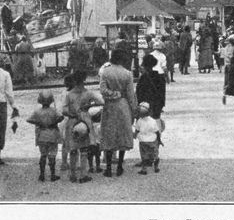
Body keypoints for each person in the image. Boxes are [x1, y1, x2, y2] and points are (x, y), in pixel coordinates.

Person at [99, 49, 138, 177]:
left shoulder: (105, 72)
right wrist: (134, 110)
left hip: (109, 106)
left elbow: (103, 90)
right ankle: (120, 165)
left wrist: (113, 94)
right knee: (122, 134)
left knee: (109, 134)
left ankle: (109, 167)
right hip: (123, 105)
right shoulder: (127, 74)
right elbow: (131, 95)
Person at [62, 72, 102, 183]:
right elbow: (101, 101)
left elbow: (64, 110)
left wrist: (72, 114)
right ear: (84, 80)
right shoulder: (88, 93)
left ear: (74, 81)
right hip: (85, 119)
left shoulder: (69, 94)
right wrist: (90, 105)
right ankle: (83, 174)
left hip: (72, 120)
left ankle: (72, 174)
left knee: (73, 149)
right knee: (84, 149)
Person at [26, 91, 64, 182]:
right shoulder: (54, 110)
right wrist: (54, 122)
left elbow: (28, 119)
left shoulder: (37, 111)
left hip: (41, 135)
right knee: (52, 155)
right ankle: (52, 174)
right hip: (52, 135)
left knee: (43, 155)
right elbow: (61, 117)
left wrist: (39, 123)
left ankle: (42, 175)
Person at [133, 102, 161, 175]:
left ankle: (144, 169)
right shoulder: (153, 121)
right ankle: (156, 167)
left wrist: (135, 135)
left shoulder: (139, 121)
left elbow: (137, 130)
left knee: (144, 155)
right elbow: (157, 132)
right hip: (152, 140)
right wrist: (159, 140)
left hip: (143, 141)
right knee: (155, 155)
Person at [137, 54, 164, 122]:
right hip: (156, 106)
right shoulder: (160, 77)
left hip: (145, 107)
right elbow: (162, 93)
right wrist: (160, 106)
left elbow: (139, 93)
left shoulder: (143, 78)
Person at [149, 41, 168, 118]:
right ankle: (160, 107)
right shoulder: (162, 56)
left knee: (153, 91)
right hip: (160, 75)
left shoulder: (150, 55)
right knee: (161, 92)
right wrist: (167, 76)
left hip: (152, 75)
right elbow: (164, 67)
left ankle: (152, 106)